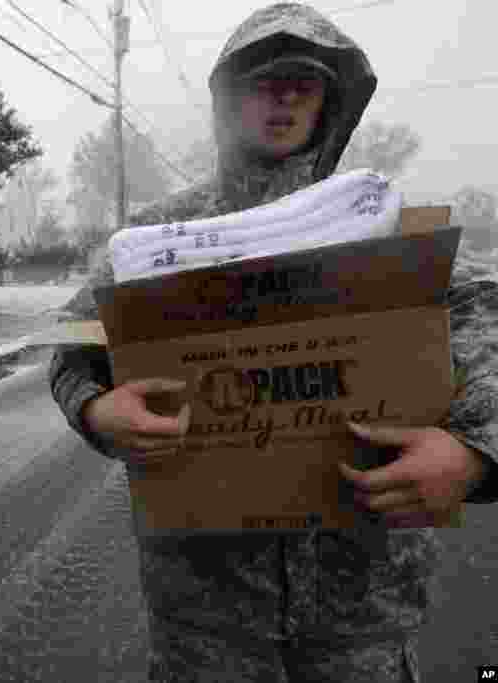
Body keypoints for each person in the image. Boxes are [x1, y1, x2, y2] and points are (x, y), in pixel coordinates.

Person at [51, 3, 498, 681]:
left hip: (362, 614)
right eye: (267, 81)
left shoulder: (389, 229)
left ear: (332, 102)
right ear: (231, 97)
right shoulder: (158, 240)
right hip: (205, 619)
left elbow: (485, 333)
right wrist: (96, 408)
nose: (286, 96)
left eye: (306, 82)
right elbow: (74, 346)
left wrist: (471, 455)